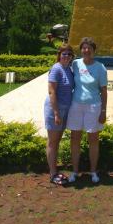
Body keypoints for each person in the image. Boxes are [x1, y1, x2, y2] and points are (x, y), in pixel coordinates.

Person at [66, 37, 108, 183]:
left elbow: (104, 91)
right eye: (84, 48)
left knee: (93, 140)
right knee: (75, 139)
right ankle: (75, 172)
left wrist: (103, 111)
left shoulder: (100, 68)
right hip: (76, 105)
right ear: (81, 50)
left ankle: (93, 172)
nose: (86, 50)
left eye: (89, 48)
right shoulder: (75, 64)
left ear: (93, 50)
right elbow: (62, 64)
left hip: (94, 107)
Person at [44, 44, 74, 185]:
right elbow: (52, 92)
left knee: (56, 141)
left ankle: (54, 171)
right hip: (55, 109)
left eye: (69, 54)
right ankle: (52, 174)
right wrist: (56, 113)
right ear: (59, 55)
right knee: (52, 141)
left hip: (65, 109)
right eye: (64, 54)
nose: (66, 56)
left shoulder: (68, 69)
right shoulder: (56, 68)